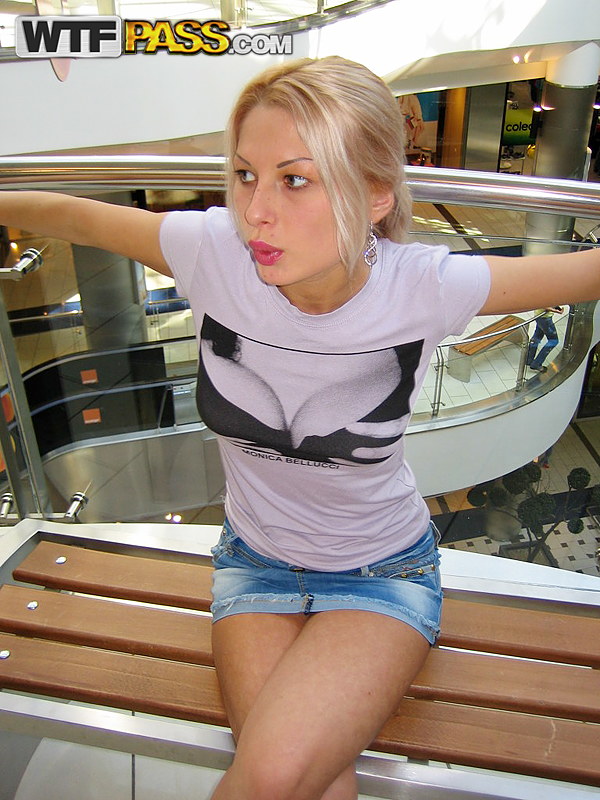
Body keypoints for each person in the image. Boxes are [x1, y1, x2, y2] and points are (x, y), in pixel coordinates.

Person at [1, 56, 599, 800]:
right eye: (244, 175)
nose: (255, 212)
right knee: (313, 784)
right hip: (254, 566)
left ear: (375, 195)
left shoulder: (422, 286)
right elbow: (79, 217)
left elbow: (586, 272)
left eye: (294, 180)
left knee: (276, 775)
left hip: (379, 574)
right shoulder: (211, 253)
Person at [526, 306, 563, 372]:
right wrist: (555, 310)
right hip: (545, 318)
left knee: (537, 336)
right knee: (554, 340)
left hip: (539, 315)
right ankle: (537, 363)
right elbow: (544, 305)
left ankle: (529, 359)